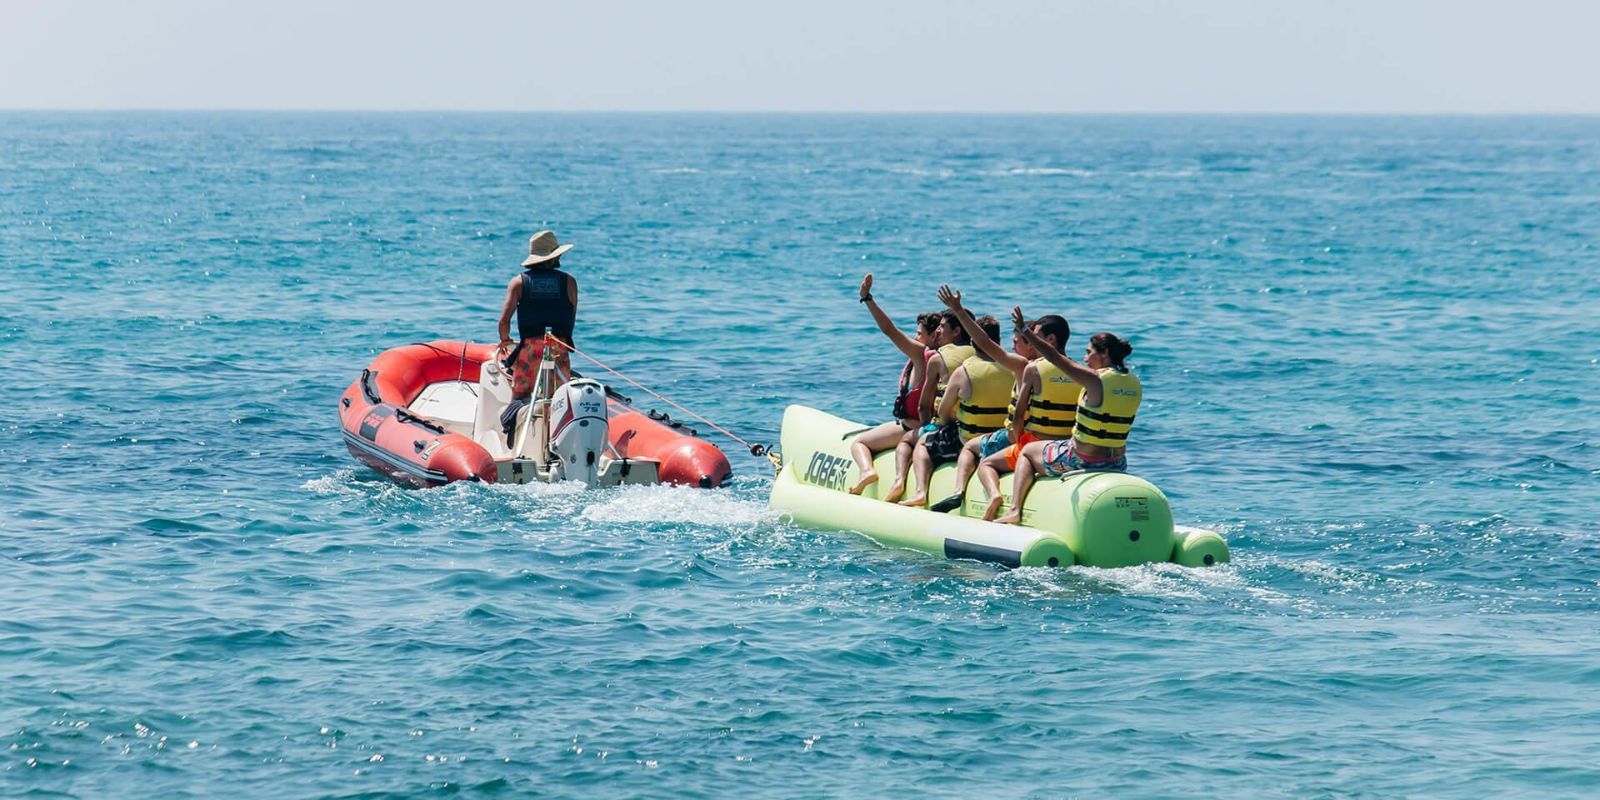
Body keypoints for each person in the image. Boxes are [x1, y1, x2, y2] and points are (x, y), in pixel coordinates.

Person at [922, 287, 1071, 515]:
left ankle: (965, 492)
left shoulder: (1025, 367)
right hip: (1061, 444)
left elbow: (983, 342)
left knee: (972, 449)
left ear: (1045, 341)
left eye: (1027, 340)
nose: (1014, 346)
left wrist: (958, 311)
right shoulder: (1077, 371)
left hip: (1022, 440)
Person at [996, 308, 1140, 525]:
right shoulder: (1134, 383)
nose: (1085, 358)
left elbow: (1054, 357)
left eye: (1089, 352)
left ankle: (1015, 509)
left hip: (1082, 459)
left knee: (1026, 452)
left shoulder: (1094, 380)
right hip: (1117, 462)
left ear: (1104, 354)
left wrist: (1026, 329)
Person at [896, 314, 1009, 507]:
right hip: (1002, 438)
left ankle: (920, 491)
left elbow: (943, 412)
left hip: (968, 439)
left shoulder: (963, 371)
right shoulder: (1015, 367)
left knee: (923, 443)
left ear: (974, 340)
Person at [849, 274, 944, 495]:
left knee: (859, 443)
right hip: (936, 427)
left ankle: (866, 472)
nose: (914, 337)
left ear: (932, 336)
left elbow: (889, 330)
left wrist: (867, 298)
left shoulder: (921, 354)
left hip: (911, 426)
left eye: (919, 333)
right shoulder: (950, 359)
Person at [495, 231, 578, 442]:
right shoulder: (570, 282)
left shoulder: (519, 283)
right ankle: (557, 441)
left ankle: (513, 439)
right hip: (559, 346)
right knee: (558, 399)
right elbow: (570, 317)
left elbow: (504, 321)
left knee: (521, 397)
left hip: (530, 349)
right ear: (554, 257)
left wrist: (505, 341)